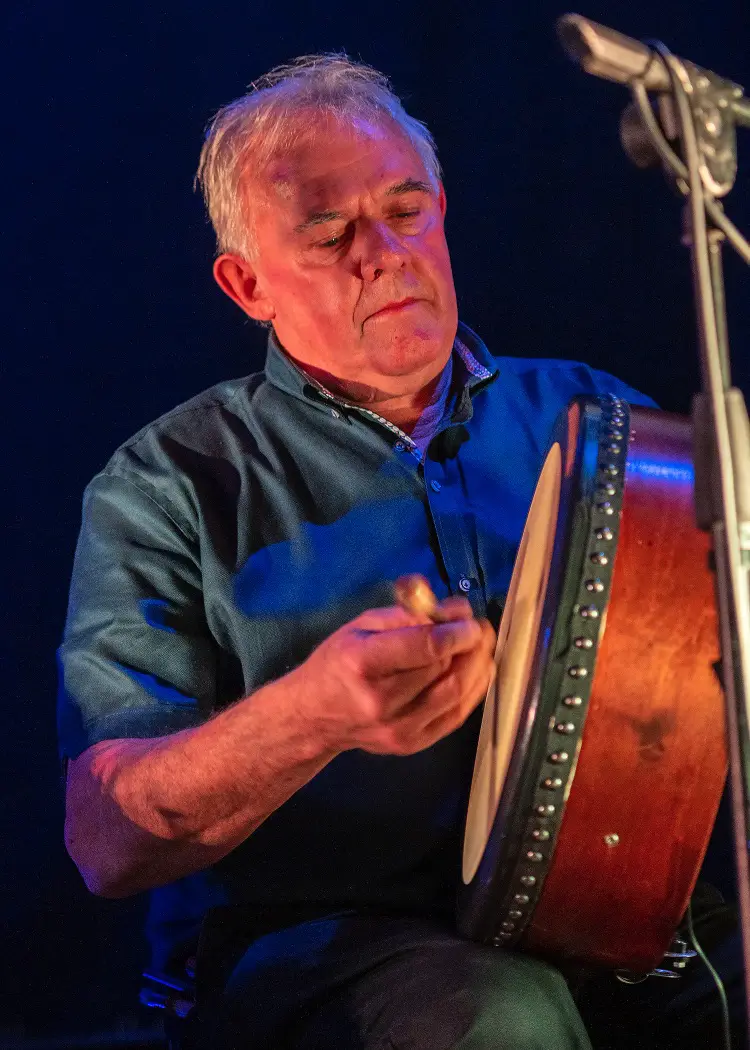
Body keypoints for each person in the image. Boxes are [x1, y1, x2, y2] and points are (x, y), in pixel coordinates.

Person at [59, 54, 682, 1049]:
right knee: (497, 1021)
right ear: (247, 284)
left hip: (623, 902)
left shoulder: (604, 423)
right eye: (328, 233)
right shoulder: (168, 485)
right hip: (329, 943)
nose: (384, 254)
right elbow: (106, 841)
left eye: (406, 210)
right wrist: (312, 715)